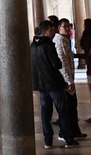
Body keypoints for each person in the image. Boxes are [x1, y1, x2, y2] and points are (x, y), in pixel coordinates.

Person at [31, 19, 76, 149]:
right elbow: (57, 63)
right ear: (44, 32)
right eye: (51, 30)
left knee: (45, 113)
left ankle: (48, 141)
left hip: (41, 84)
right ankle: (68, 138)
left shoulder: (33, 45)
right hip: (53, 83)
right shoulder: (48, 45)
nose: (53, 33)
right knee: (63, 110)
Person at [54, 18, 84, 142]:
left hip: (68, 79)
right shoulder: (59, 41)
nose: (67, 28)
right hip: (64, 81)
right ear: (59, 28)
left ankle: (74, 131)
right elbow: (63, 63)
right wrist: (69, 81)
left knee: (72, 105)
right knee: (67, 107)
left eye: (69, 26)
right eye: (64, 26)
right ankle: (64, 132)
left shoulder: (65, 40)